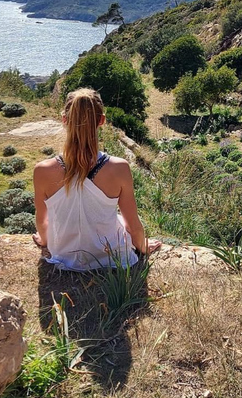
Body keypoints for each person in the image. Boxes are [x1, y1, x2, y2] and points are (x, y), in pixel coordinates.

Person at [32, 88, 161, 270]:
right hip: (111, 256)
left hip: (62, 255)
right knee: (120, 220)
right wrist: (142, 246)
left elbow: (42, 221)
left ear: (64, 120)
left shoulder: (42, 170)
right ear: (102, 120)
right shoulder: (119, 168)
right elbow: (132, 225)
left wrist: (45, 241)